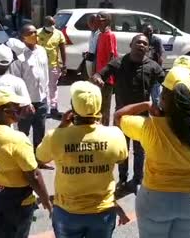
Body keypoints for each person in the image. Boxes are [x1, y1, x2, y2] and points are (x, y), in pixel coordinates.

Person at [114, 66, 190, 238]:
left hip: (156, 201)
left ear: (163, 97)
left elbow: (118, 117)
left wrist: (146, 105)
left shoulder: (148, 126)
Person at [36, 81, 129, 237]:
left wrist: (61, 127)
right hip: (102, 211)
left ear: (73, 107)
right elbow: (121, 158)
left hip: (68, 212)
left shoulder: (56, 136)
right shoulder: (114, 134)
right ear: (99, 107)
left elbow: (40, 158)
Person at [0, 87, 52, 238]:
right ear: (5, 111)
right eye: (16, 106)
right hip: (13, 202)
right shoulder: (17, 140)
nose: (20, 108)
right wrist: (47, 203)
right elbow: (34, 175)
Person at [92, 34, 164, 194]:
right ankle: (123, 179)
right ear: (131, 44)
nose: (141, 45)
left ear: (148, 48)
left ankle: (138, 180)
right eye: (138, 42)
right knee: (121, 149)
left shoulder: (153, 66)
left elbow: (166, 82)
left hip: (142, 118)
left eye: (144, 43)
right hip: (121, 117)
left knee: (140, 151)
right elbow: (99, 74)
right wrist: (97, 78)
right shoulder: (118, 63)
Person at [9, 24, 50, 165]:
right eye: (31, 33)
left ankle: (39, 160)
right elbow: (16, 80)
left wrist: (47, 96)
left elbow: (46, 74)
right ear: (23, 37)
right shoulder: (19, 56)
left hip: (42, 99)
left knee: (40, 131)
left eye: (35, 32)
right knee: (23, 134)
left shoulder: (42, 51)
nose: (35, 35)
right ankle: (23, 161)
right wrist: (22, 103)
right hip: (26, 102)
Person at [37, 16, 67, 117]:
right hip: (39, 65)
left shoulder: (59, 33)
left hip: (53, 65)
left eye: (53, 24)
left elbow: (63, 50)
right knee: (41, 86)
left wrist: (64, 65)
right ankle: (43, 107)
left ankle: (54, 108)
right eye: (50, 24)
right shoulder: (37, 33)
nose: (52, 26)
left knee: (52, 87)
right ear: (45, 24)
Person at [95, 12, 117, 125]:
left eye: (100, 20)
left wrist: (106, 76)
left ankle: (104, 129)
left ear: (107, 21)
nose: (98, 22)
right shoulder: (100, 35)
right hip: (99, 76)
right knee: (98, 104)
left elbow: (111, 56)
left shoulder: (110, 35)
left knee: (105, 106)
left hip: (106, 78)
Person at [142, 23, 164, 105]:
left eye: (150, 31)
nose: (149, 34)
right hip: (144, 71)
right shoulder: (141, 40)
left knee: (156, 98)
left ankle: (157, 115)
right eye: (146, 32)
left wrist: (158, 70)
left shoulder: (156, 41)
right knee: (144, 97)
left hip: (154, 70)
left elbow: (160, 56)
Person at [82, 14, 100, 78]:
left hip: (95, 60)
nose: (89, 25)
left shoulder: (99, 33)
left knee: (94, 78)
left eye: (91, 22)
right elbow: (92, 47)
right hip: (90, 58)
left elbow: (97, 50)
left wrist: (94, 65)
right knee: (91, 78)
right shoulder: (92, 33)